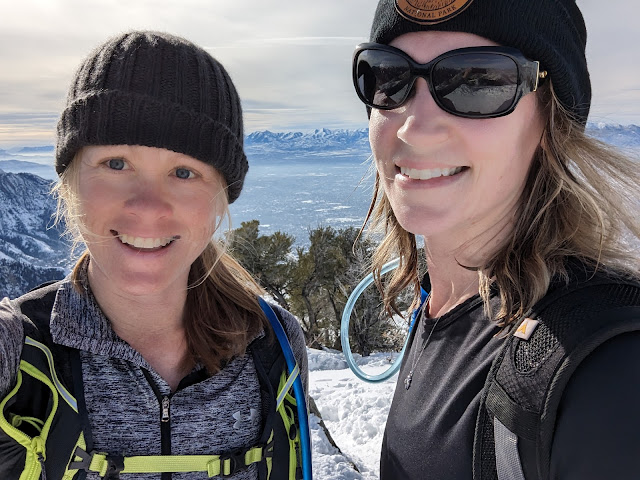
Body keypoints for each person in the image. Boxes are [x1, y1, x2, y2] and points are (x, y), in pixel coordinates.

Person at [0, 31, 310, 480]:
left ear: (220, 201)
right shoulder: (18, 353)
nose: (147, 207)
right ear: (70, 183)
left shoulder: (274, 347)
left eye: (184, 172)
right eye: (116, 164)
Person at [351, 1, 640, 479]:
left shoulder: (603, 373)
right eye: (388, 76)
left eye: (477, 82)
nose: (413, 127)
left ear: (550, 120)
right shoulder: (440, 304)